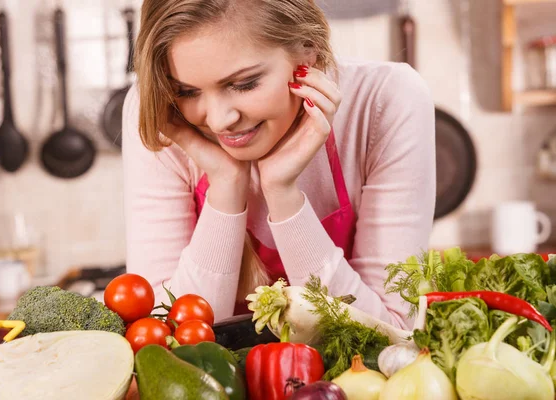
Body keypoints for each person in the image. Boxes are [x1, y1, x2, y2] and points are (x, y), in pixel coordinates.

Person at [122, 0, 435, 329]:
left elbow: (393, 333)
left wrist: (283, 194)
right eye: (187, 91)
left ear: (307, 52)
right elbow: (164, 337)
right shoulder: (159, 114)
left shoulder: (386, 101)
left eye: (243, 84)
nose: (217, 121)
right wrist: (226, 187)